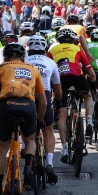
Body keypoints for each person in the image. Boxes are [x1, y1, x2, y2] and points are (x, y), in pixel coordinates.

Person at [0, 43, 47, 195]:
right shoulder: (33, 69)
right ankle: (28, 165)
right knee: (29, 139)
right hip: (28, 106)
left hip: (7, 105)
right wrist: (39, 120)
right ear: (22, 58)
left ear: (6, 57)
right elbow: (43, 101)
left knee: (3, 147)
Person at [48, 28, 96, 162]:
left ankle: (64, 148)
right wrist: (92, 88)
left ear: (58, 40)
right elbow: (91, 72)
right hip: (76, 76)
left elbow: (49, 69)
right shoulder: (77, 49)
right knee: (88, 96)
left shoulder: (52, 50)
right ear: (73, 40)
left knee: (62, 115)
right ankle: (90, 120)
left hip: (60, 79)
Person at [25, 35, 62, 185]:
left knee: (28, 131)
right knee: (48, 130)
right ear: (45, 49)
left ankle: (28, 157)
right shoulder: (51, 62)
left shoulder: (24, 61)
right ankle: (50, 164)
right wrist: (59, 102)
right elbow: (58, 89)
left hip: (26, 95)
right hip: (44, 94)